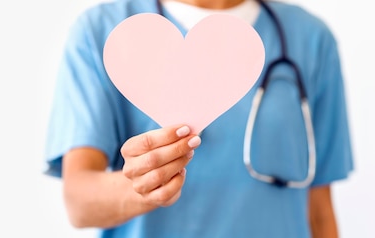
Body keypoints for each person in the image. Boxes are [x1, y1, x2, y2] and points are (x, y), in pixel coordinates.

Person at [43, 0, 354, 237]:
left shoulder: (312, 39)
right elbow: (79, 202)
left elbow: (319, 211)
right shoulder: (103, 32)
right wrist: (143, 186)